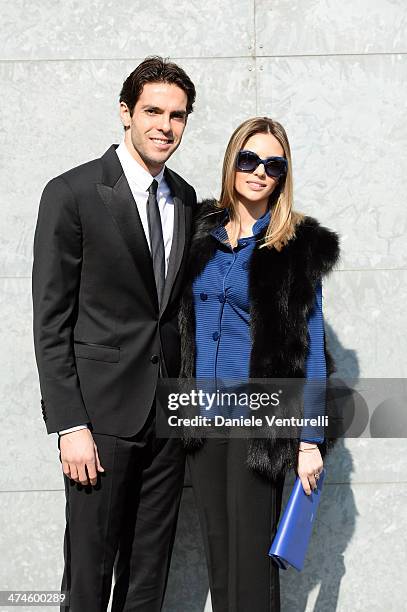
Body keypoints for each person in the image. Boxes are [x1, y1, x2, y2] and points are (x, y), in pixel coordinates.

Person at [32, 56, 197, 611]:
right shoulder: (72, 193)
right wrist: (69, 424)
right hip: (98, 423)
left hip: (166, 420)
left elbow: (169, 311)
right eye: (153, 111)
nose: (164, 126)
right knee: (88, 578)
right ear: (125, 112)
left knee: (148, 579)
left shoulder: (186, 197)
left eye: (177, 116)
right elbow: (50, 322)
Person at [178, 117, 340, 611]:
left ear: (283, 175)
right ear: (232, 162)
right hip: (203, 418)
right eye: (249, 159)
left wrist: (310, 439)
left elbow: (310, 348)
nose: (259, 172)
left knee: (251, 569)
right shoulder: (199, 234)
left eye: (273, 164)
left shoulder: (295, 247)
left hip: (259, 421)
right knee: (222, 564)